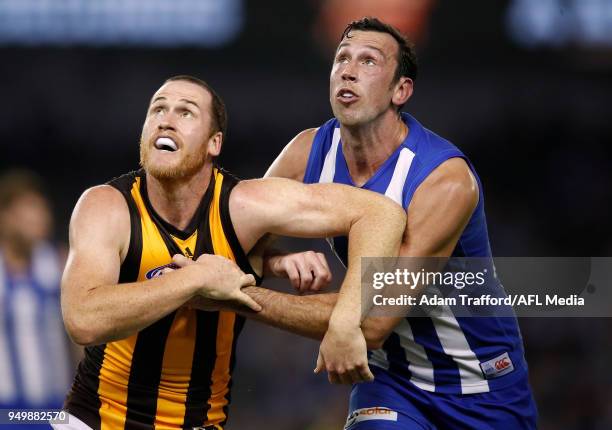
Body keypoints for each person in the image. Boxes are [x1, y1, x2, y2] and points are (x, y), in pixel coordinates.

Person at [210, 17, 538, 429]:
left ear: (401, 90)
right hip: (390, 381)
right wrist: (276, 263)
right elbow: (231, 238)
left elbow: (376, 319)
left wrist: (235, 297)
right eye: (342, 58)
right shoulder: (306, 152)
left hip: (481, 385)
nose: (348, 70)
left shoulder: (443, 180)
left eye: (368, 62)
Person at [59, 75, 406, 430]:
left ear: (214, 143)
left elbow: (382, 214)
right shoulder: (106, 206)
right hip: (94, 420)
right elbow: (83, 319)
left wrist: (344, 319)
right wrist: (196, 279)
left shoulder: (243, 205)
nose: (166, 119)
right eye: (158, 109)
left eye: (186, 112)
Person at [0, 170, 73, 429]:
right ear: (6, 217)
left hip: (53, 407)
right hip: (4, 408)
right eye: (29, 210)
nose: (40, 218)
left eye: (42, 210)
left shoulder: (60, 264)